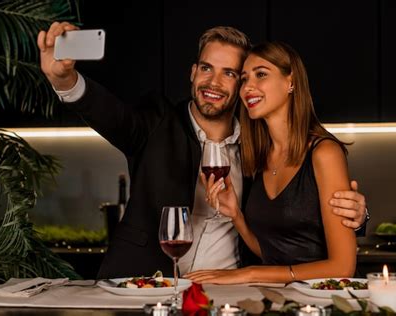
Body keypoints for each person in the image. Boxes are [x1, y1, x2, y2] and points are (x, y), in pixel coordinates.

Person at [37, 23, 368, 279]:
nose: (214, 83)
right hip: (146, 289)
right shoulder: (155, 123)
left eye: (230, 74)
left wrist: (356, 216)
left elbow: (293, 218)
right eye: (207, 68)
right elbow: (109, 113)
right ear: (193, 72)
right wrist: (64, 79)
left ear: (241, 85)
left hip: (228, 295)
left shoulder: (261, 147)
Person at [186, 41, 357, 284]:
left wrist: (250, 273)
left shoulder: (324, 153)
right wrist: (236, 216)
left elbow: (342, 267)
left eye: (261, 75)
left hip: (323, 301)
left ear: (291, 81)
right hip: (281, 298)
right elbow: (274, 252)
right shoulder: (259, 157)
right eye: (244, 79)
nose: (248, 88)